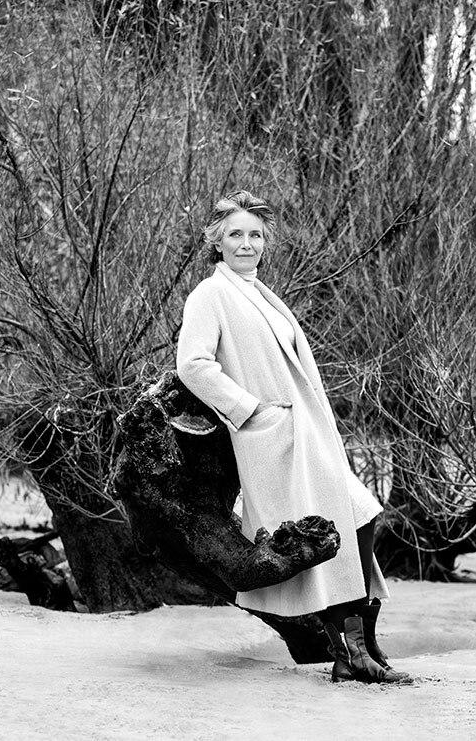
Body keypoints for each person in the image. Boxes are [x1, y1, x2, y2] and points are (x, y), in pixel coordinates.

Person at [176, 189, 411, 684]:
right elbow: (192, 365)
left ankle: (362, 642)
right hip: (274, 441)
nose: (246, 244)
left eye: (255, 235)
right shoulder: (210, 294)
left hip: (307, 437)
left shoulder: (260, 292)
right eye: (235, 234)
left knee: (361, 515)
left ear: (265, 242)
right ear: (217, 241)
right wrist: (251, 410)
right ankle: (351, 652)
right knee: (325, 534)